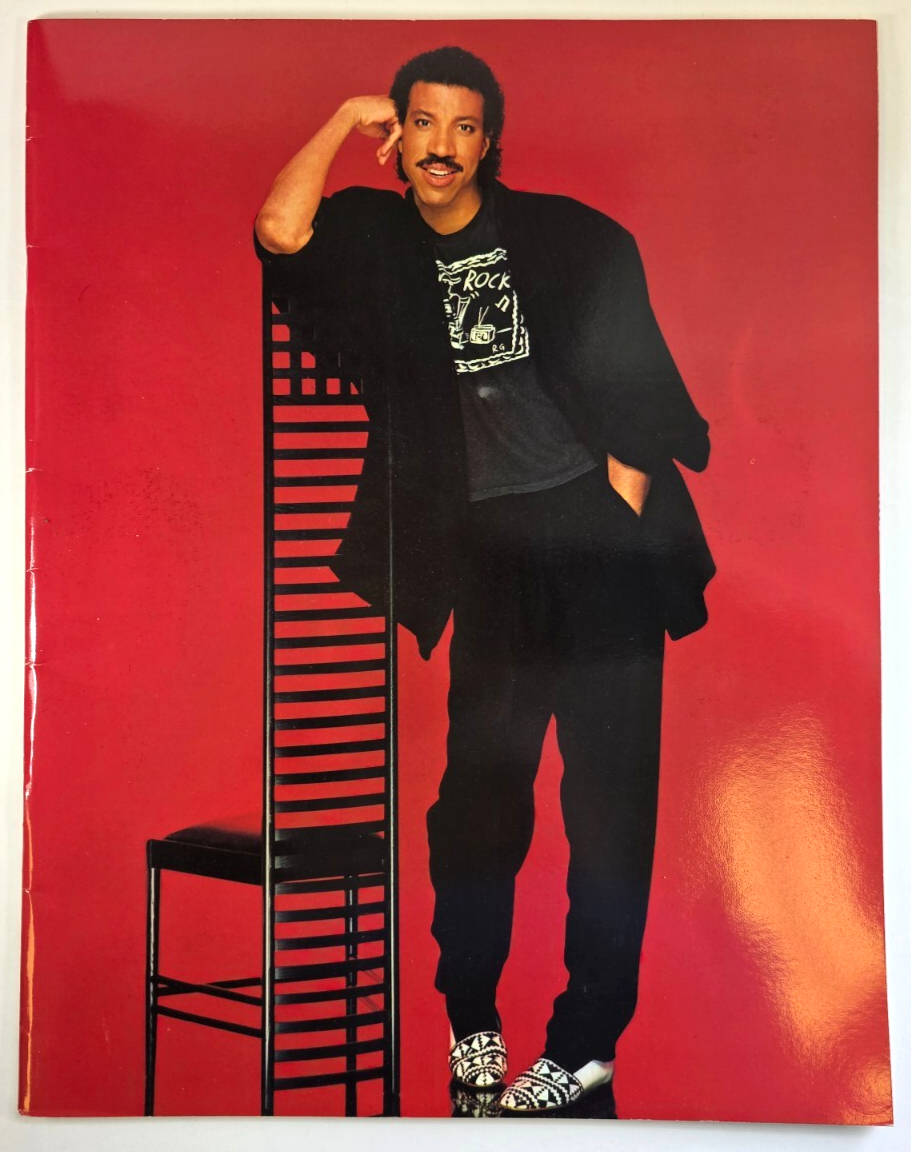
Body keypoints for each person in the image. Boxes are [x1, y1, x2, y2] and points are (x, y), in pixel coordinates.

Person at [254, 46, 714, 1114]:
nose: (442, 146)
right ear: (397, 135)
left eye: (464, 127)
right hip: (491, 551)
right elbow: (279, 230)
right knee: (476, 803)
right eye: (422, 122)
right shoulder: (374, 239)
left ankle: (584, 1045)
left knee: (608, 805)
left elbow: (638, 383)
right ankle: (473, 1019)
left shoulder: (564, 237)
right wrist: (339, 119)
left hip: (595, 544)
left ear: (487, 142)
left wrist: (617, 507)